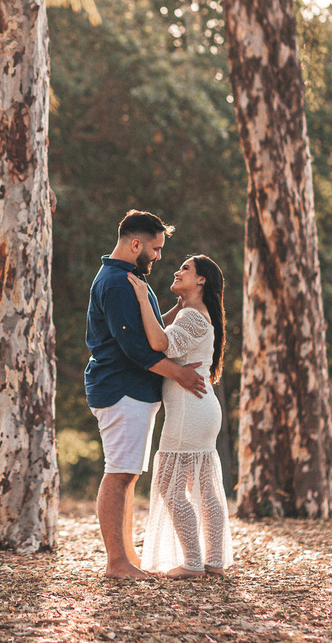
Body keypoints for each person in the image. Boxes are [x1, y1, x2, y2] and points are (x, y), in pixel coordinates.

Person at [85, 210, 206, 581]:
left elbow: (149, 328)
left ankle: (127, 555)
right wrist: (181, 374)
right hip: (121, 389)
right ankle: (116, 563)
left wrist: (179, 310)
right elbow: (137, 348)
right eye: (154, 249)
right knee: (118, 474)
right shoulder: (119, 283)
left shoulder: (131, 279)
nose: (157, 257)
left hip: (133, 391)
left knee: (128, 475)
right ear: (135, 243)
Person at [129, 254, 234, 578]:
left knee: (169, 486)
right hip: (201, 408)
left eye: (185, 269)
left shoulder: (193, 317)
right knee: (203, 488)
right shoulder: (194, 314)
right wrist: (174, 303)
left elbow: (158, 341)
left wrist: (141, 298)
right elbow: (165, 329)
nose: (178, 270)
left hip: (190, 410)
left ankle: (191, 563)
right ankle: (214, 561)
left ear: (201, 280)